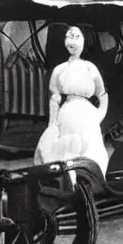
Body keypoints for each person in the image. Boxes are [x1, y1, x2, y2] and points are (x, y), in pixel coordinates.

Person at [34, 25, 109, 176]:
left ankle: (91, 183)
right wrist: (52, 123)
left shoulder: (90, 68)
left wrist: (99, 114)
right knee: (66, 152)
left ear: (85, 41)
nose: (72, 42)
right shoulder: (59, 70)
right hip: (66, 115)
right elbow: (55, 97)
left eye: (77, 37)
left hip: (87, 117)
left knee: (90, 152)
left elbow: (102, 94)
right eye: (69, 37)